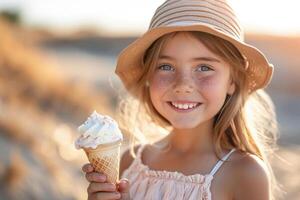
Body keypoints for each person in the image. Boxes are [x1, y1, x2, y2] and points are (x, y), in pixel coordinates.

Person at [82, 0, 282, 199]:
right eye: (166, 66)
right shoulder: (130, 161)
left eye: (204, 67)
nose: (183, 85)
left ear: (232, 81)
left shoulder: (245, 174)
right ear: (149, 76)